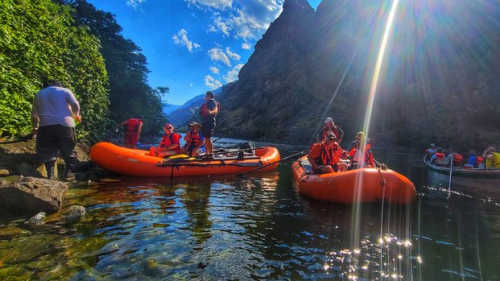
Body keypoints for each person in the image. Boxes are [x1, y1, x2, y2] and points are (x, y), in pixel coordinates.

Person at [32, 80, 81, 180]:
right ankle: (69, 175)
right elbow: (75, 104)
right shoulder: (65, 91)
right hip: (66, 124)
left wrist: (35, 127)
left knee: (47, 150)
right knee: (68, 149)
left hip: (46, 125)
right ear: (59, 85)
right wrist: (76, 115)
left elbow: (34, 116)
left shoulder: (39, 94)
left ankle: (50, 176)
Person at [199, 91, 219, 157]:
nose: (205, 97)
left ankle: (210, 154)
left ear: (209, 96)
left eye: (206, 96)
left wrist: (211, 112)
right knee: (206, 138)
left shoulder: (212, 101)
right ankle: (207, 153)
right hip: (205, 122)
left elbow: (215, 110)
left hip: (209, 122)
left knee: (208, 138)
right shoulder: (207, 103)